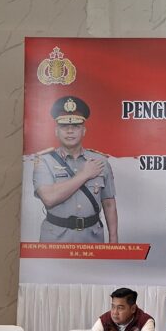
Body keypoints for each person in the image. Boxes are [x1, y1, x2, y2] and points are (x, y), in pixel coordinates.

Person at [33, 95, 118, 243]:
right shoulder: (44, 161)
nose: (70, 131)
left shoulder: (100, 162)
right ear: (56, 131)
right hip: (55, 239)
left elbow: (109, 203)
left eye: (76, 126)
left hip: (92, 237)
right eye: (64, 126)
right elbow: (49, 199)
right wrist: (84, 175)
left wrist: (113, 238)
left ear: (84, 131)